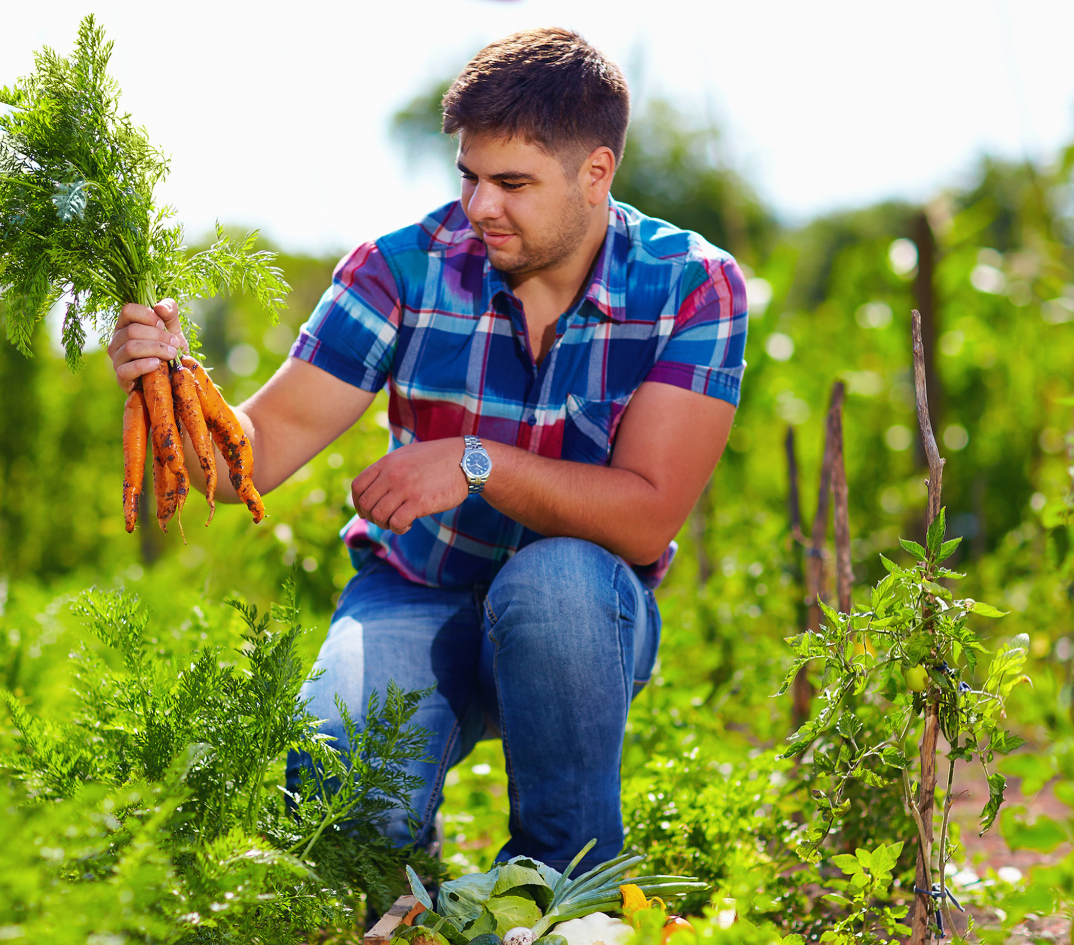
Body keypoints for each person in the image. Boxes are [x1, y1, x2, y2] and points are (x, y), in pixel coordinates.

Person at [107, 28, 746, 872]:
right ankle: (399, 870)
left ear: (597, 174)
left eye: (513, 184)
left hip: (580, 618)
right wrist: (168, 384)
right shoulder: (400, 270)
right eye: (471, 177)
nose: (482, 207)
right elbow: (247, 463)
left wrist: (473, 461)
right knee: (343, 812)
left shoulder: (692, 286)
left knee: (553, 582)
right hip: (413, 592)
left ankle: (561, 881)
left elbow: (645, 516)